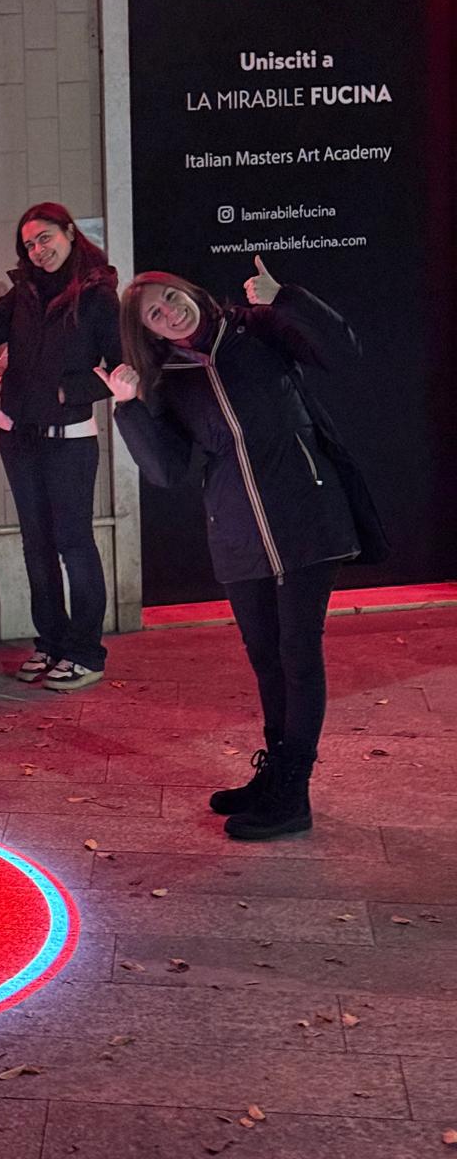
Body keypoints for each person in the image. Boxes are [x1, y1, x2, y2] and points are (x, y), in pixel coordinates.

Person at [101, 254, 376, 841]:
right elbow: (167, 472)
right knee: (266, 658)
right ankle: (276, 773)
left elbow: (344, 352)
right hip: (237, 532)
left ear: (188, 290)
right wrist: (128, 407)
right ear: (148, 332)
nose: (170, 313)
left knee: (298, 654)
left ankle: (293, 792)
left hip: (306, 517)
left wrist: (286, 298)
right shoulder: (170, 379)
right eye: (155, 315)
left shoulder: (256, 329)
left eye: (170, 298)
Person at [0, 204, 121, 690]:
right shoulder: (25, 290)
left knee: (74, 544)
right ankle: (50, 642)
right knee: (37, 545)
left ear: (69, 233)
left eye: (45, 238)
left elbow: (121, 365)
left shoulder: (97, 294)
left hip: (69, 439)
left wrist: (68, 392)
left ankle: (86, 653)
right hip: (18, 435)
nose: (38, 250)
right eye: (30, 244)